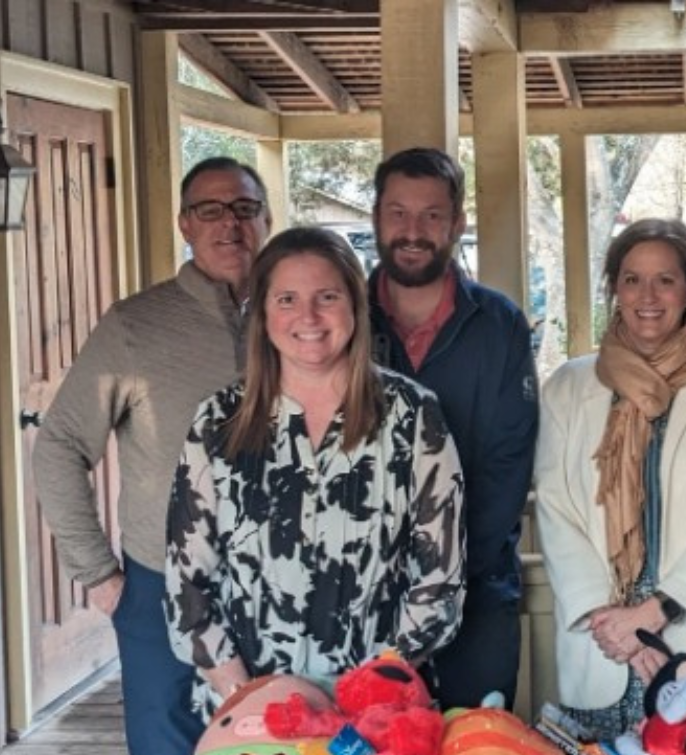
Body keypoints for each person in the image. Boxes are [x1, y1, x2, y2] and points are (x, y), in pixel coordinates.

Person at [29, 157, 269, 755]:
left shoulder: (298, 309)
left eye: (244, 209)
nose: (229, 225)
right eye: (211, 210)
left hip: (280, 598)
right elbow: (58, 446)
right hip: (161, 594)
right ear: (182, 222)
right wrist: (97, 569)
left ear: (265, 216)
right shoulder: (135, 327)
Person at [166, 226, 465, 710]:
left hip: (380, 713)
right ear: (262, 314)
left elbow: (440, 579)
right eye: (286, 299)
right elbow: (187, 583)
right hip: (249, 710)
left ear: (355, 307)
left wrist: (373, 692)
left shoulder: (412, 416)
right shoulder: (218, 421)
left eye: (327, 296)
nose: (307, 316)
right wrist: (242, 694)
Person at [533, 219, 686, 737]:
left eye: (665, 279)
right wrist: (612, 620)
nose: (647, 295)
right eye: (632, 278)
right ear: (614, 288)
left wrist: (655, 612)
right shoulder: (568, 387)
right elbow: (555, 507)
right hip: (603, 645)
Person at [366, 147, 538, 710]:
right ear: (375, 217)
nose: (413, 231)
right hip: (362, 597)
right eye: (398, 213)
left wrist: (445, 575)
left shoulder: (499, 324)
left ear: (457, 223)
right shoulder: (340, 319)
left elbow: (508, 465)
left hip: (477, 593)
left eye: (432, 215)